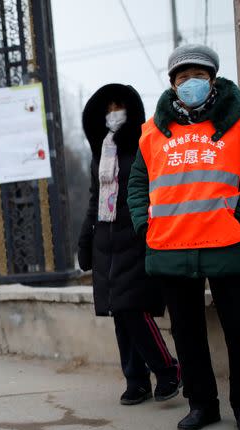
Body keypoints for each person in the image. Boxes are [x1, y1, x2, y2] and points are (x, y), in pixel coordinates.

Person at [127, 44, 240, 430]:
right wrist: (146, 227)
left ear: (212, 80)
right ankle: (202, 405)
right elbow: (137, 185)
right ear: (172, 84)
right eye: (182, 78)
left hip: (226, 245)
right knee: (187, 331)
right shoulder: (151, 133)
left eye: (197, 77)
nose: (189, 84)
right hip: (170, 247)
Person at [78, 84, 181, 406]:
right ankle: (135, 381)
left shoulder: (144, 144)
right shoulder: (101, 150)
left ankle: (167, 369)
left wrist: (149, 230)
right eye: (107, 108)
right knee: (119, 312)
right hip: (105, 238)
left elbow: (155, 192)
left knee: (132, 308)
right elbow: (95, 198)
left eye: (119, 106)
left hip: (136, 234)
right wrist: (85, 238)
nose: (113, 113)